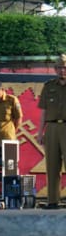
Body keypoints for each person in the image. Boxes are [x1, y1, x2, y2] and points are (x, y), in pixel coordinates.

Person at [38, 54, 66, 208]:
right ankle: (53, 200)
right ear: (55, 69)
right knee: (52, 165)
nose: (63, 71)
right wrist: (40, 132)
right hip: (52, 127)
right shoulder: (49, 86)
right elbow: (43, 111)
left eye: (65, 68)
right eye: (60, 68)